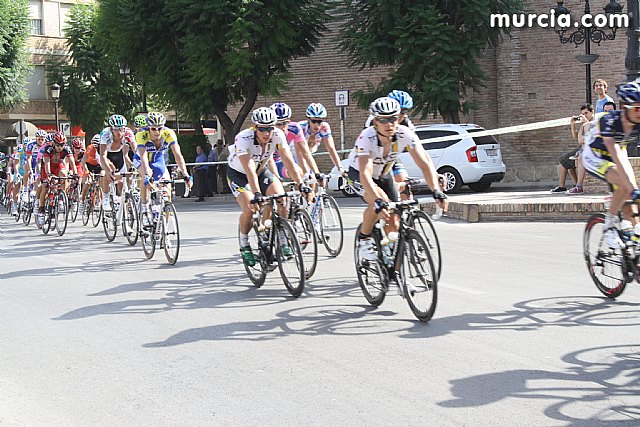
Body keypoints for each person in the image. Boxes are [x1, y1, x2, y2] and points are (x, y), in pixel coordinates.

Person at [347, 97, 447, 261]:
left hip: (383, 174)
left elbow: (424, 163)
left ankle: (394, 265)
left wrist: (436, 190)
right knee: (380, 200)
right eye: (383, 120)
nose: (389, 124)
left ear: (399, 117)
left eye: (393, 118)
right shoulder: (366, 137)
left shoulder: (404, 133)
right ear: (375, 121)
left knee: (395, 221)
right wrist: (377, 201)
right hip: (359, 174)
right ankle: (364, 238)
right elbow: (365, 173)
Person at [227, 107, 309, 266]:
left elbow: (289, 162)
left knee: (282, 199)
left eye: (270, 128)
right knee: (250, 209)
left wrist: (301, 184)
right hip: (239, 174)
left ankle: (282, 239)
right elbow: (249, 169)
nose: (266, 133)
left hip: (260, 170)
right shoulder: (243, 138)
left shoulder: (278, 135)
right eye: (262, 129)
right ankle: (244, 244)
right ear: (255, 127)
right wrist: (257, 193)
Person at [581, 82, 640, 248]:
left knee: (633, 205)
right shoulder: (609, 121)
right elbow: (615, 154)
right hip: (595, 155)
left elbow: (621, 154)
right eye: (636, 109)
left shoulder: (636, 124)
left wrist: (634, 190)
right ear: (625, 108)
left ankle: (633, 259)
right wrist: (632, 188)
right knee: (624, 184)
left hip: (618, 155)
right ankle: (608, 226)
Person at [134, 112, 192, 217]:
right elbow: (143, 157)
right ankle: (144, 208)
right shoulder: (141, 135)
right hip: (141, 160)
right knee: (146, 179)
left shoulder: (168, 133)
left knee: (167, 190)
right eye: (153, 129)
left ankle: (162, 227)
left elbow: (178, 155)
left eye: (159, 128)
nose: (157, 132)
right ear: (148, 128)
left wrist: (186, 174)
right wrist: (147, 175)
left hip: (157, 160)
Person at [567, 102, 617, 194]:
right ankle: (578, 186)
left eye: (610, 111)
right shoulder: (594, 123)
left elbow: (593, 138)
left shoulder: (615, 123)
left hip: (606, 152)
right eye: (605, 111)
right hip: (592, 151)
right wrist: (573, 124)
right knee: (573, 160)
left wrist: (587, 124)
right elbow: (579, 139)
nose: (607, 113)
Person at [551, 104, 595, 194]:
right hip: (583, 147)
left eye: (586, 113)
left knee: (564, 160)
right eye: (582, 114)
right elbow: (576, 137)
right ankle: (573, 185)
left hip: (590, 148)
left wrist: (586, 122)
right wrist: (573, 124)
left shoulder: (595, 121)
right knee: (566, 160)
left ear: (592, 112)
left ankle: (564, 186)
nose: (584, 115)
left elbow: (592, 136)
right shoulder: (585, 123)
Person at [37, 132, 78, 225]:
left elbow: (72, 162)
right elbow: (46, 163)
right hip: (48, 168)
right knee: (45, 187)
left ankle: (61, 197)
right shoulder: (48, 149)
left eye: (62, 145)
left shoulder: (67, 149)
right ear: (54, 143)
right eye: (58, 145)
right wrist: (48, 174)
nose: (60, 147)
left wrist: (75, 174)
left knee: (64, 174)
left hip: (57, 166)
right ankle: (41, 210)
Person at [99, 114, 134, 211]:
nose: (119, 132)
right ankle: (105, 198)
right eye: (116, 129)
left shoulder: (128, 133)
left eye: (121, 129)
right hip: (106, 154)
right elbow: (103, 156)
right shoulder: (105, 134)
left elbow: (136, 151)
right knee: (109, 171)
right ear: (111, 129)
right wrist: (108, 170)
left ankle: (123, 207)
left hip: (118, 154)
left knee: (122, 179)